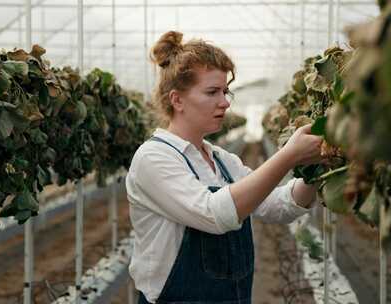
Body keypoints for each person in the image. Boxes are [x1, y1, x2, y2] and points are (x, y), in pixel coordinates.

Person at [126, 31, 323, 304]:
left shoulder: (222, 160)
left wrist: (317, 170)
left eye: (225, 91)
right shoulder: (153, 158)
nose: (225, 101)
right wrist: (288, 156)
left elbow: (278, 205)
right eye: (212, 92)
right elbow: (213, 215)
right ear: (177, 100)